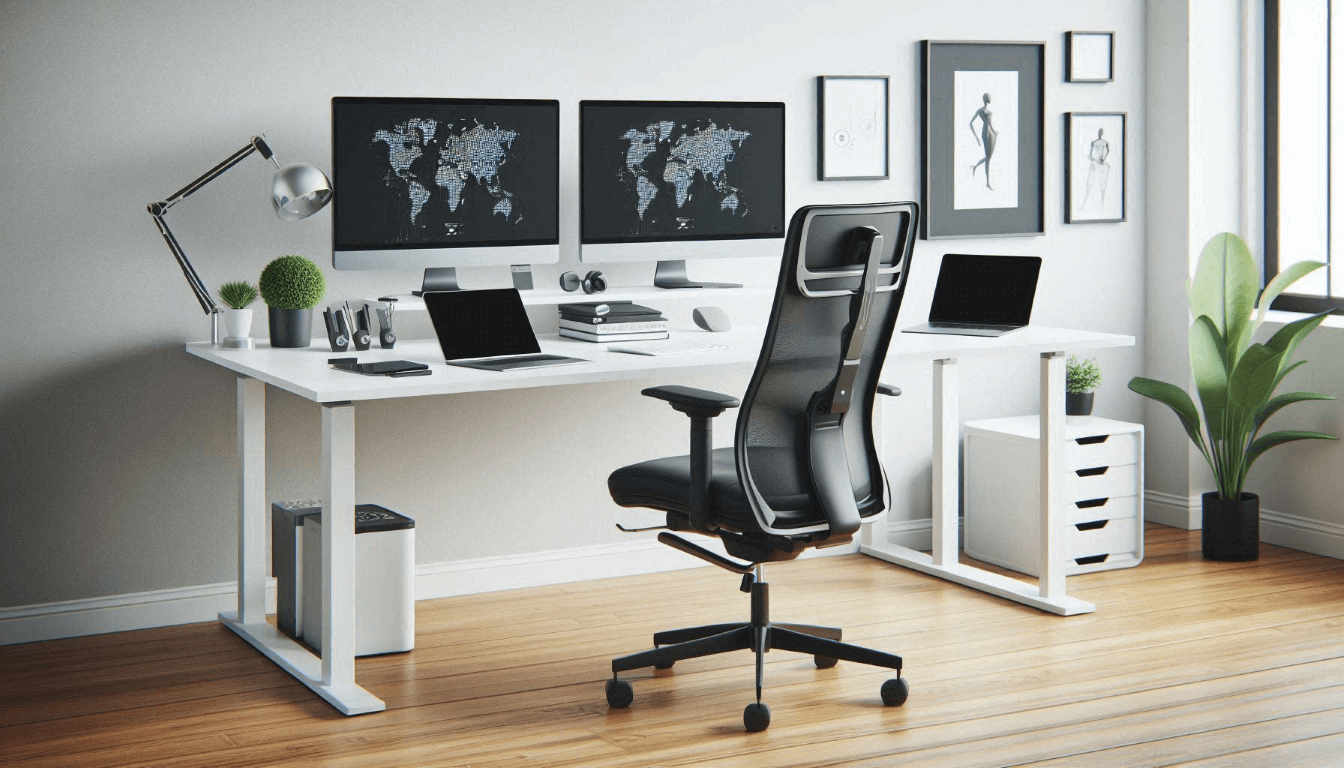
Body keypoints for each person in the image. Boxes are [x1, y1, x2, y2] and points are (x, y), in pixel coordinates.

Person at [969, 92, 998, 190]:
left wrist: (977, 137)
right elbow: (990, 125)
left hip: (984, 133)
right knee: (988, 158)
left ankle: (976, 167)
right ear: (987, 99)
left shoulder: (980, 110)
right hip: (988, 133)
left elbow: (971, 123)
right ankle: (987, 183)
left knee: (988, 158)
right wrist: (995, 132)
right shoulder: (986, 111)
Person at [1081, 128, 1110, 210]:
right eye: (1099, 132)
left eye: (1101, 132)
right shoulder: (1094, 142)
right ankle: (1084, 204)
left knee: (1102, 184)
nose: (1100, 133)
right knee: (1090, 183)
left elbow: (1107, 151)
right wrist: (1099, 159)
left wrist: (1102, 159)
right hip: (1096, 163)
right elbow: (1091, 155)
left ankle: (1102, 206)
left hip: (1100, 164)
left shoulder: (1102, 142)